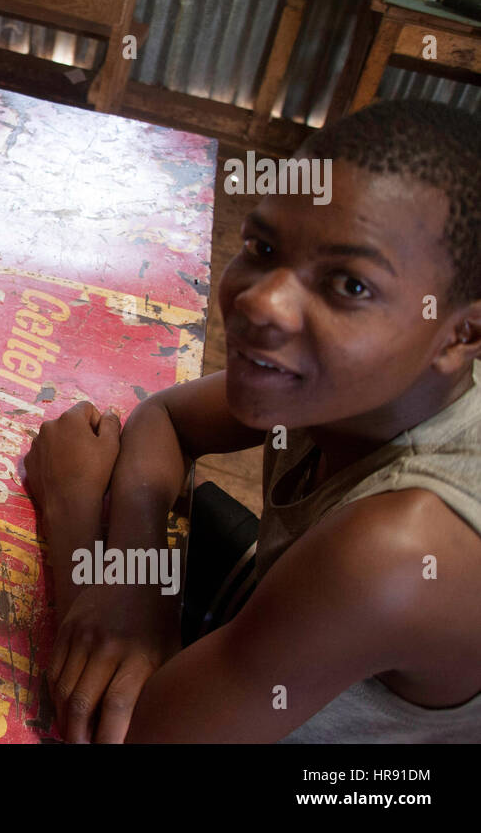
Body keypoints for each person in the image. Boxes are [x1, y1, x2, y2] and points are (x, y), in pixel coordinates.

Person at [25, 99, 481, 742]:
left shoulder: (397, 551)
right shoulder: (355, 384)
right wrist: (134, 588)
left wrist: (71, 509)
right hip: (288, 645)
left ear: (464, 333)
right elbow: (170, 417)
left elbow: (127, 734)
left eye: (349, 285)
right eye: (262, 247)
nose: (259, 302)